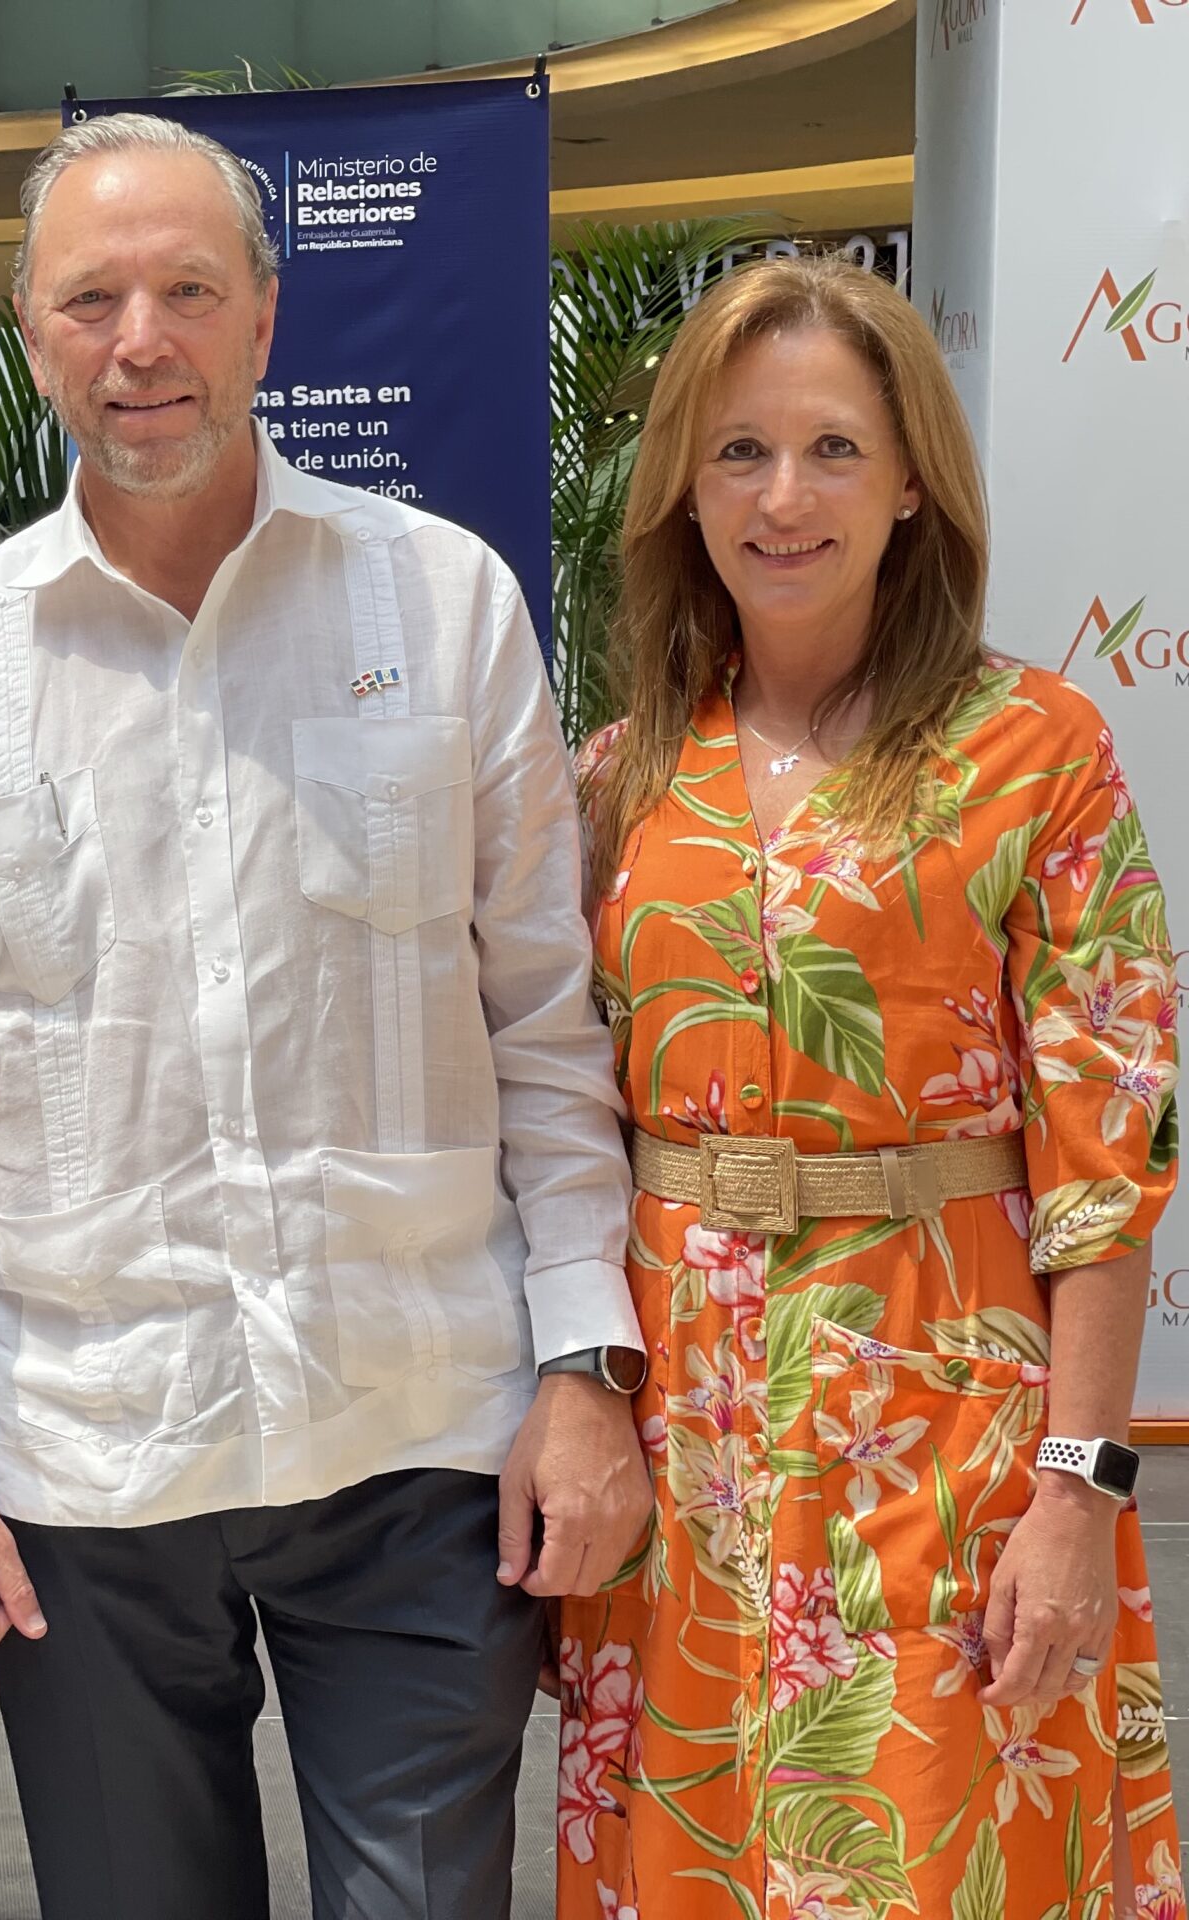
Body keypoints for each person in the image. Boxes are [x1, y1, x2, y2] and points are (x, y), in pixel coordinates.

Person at [0, 113, 652, 1920]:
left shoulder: (443, 606)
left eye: (189, 291)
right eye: (92, 300)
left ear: (266, 319)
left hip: (422, 1428)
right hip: (86, 1452)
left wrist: (586, 1368)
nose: (143, 342)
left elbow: (544, 1025)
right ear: (30, 336)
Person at [561, 255, 1181, 1915]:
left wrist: (1079, 1490)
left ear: (913, 483)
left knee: (935, 1855)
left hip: (947, 1427)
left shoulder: (1036, 752)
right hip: (681, 1441)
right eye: (740, 451)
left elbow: (1106, 1164)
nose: (785, 497)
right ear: (686, 491)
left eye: (834, 448)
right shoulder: (620, 778)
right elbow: (559, 1126)